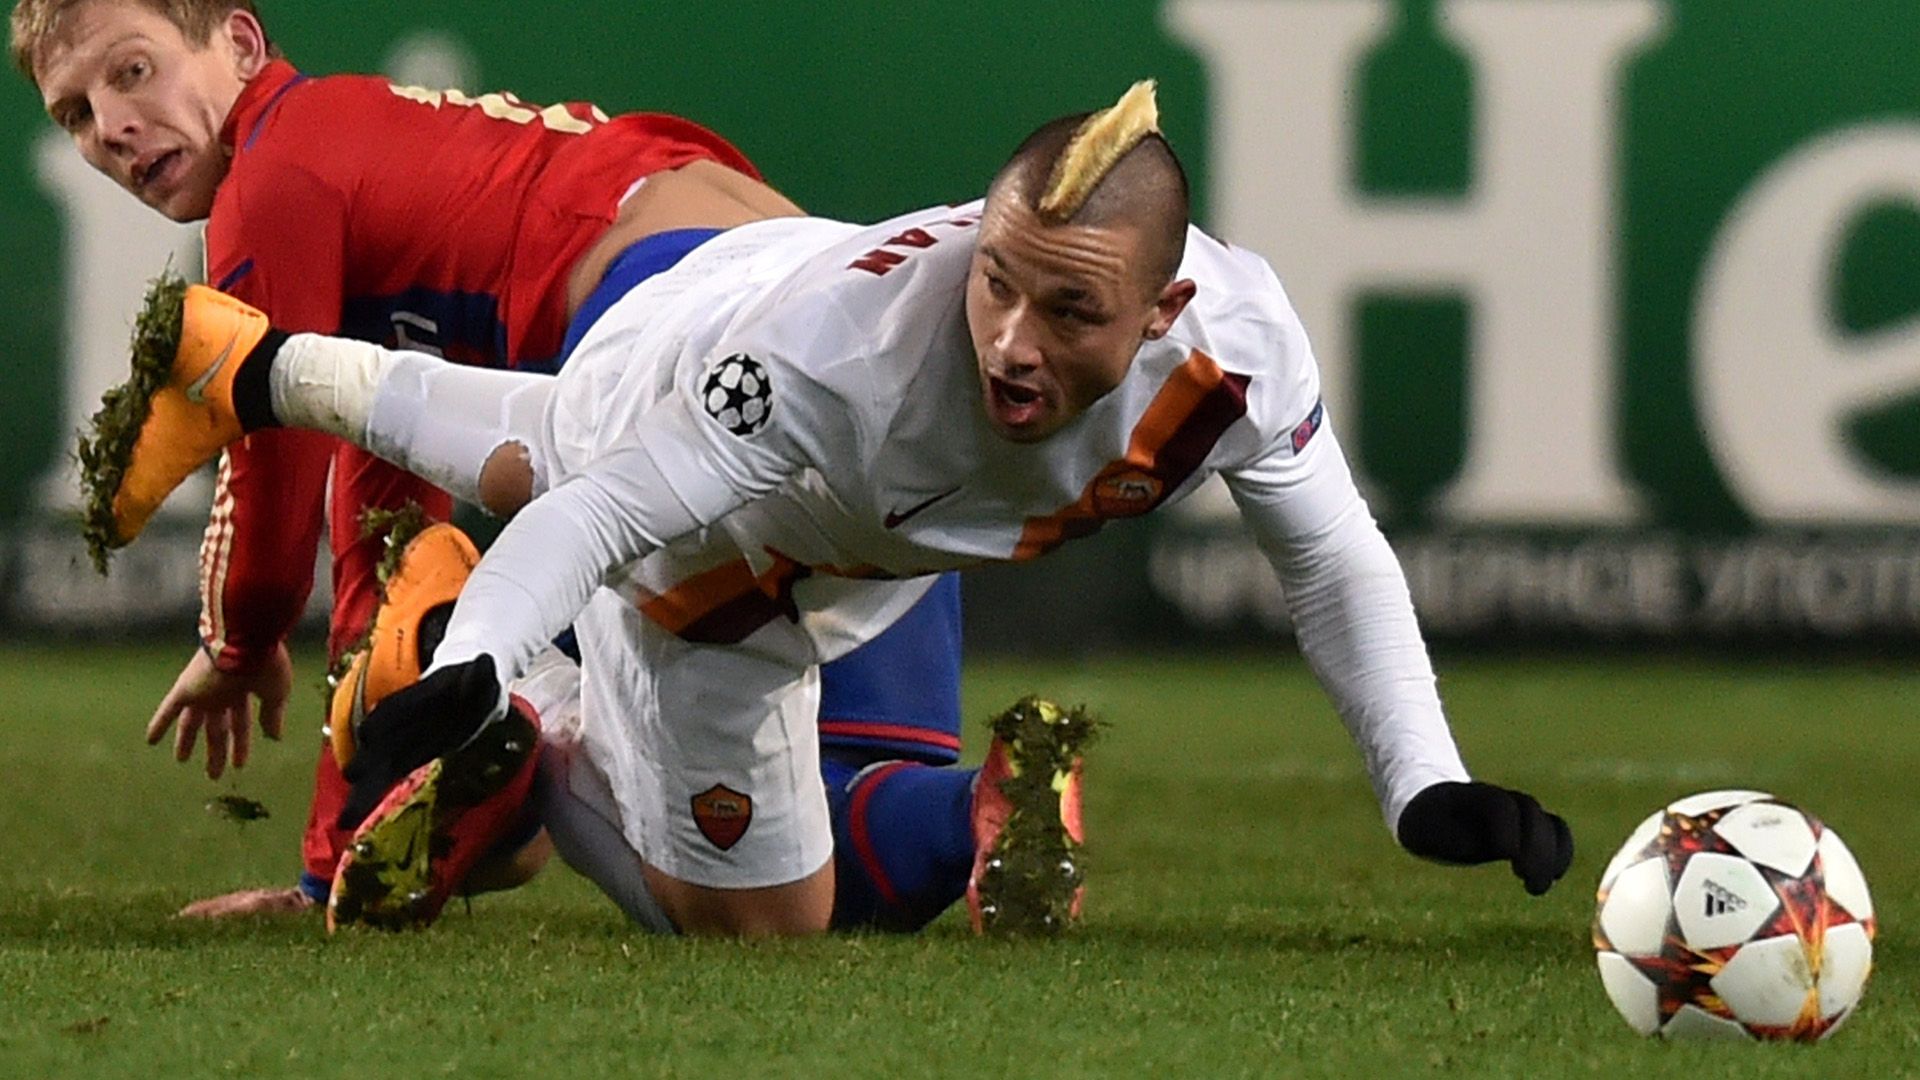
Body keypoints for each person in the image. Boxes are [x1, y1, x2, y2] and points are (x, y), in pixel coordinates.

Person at [88, 79, 1575, 938]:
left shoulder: (1239, 350)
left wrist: (1423, 785)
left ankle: (253, 363)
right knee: (758, 932)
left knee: (530, 440)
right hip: (705, 450)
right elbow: (604, 514)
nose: (1011, 337)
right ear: (971, 243)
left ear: (1169, 308)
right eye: (997, 279)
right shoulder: (839, 365)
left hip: (863, 527)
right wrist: (479, 662)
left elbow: (1331, 560)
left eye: (1070, 308)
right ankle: (542, 732)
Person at [16, 0, 1006, 933]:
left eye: (132, 72)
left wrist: (240, 640)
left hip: (681, 335)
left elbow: (266, 440)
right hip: (852, 349)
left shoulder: (276, 176)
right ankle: (987, 808)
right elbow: (388, 532)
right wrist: (332, 865)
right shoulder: (394, 162)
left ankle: (523, 727)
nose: (111, 125)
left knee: (723, 897)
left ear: (238, 41)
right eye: (73, 113)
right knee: (843, 853)